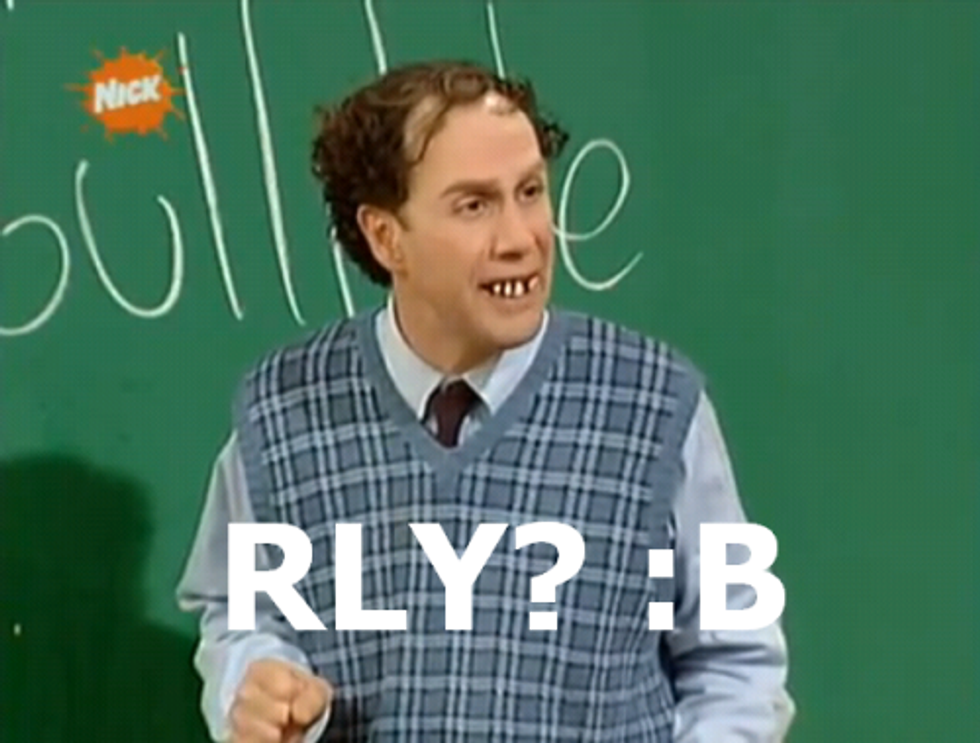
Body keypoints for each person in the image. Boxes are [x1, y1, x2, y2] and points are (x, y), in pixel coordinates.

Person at [176, 59, 795, 742]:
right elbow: (243, 615)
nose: (521, 239)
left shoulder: (654, 405)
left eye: (530, 191)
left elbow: (737, 665)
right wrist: (257, 682)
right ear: (385, 236)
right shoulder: (284, 411)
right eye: (474, 205)